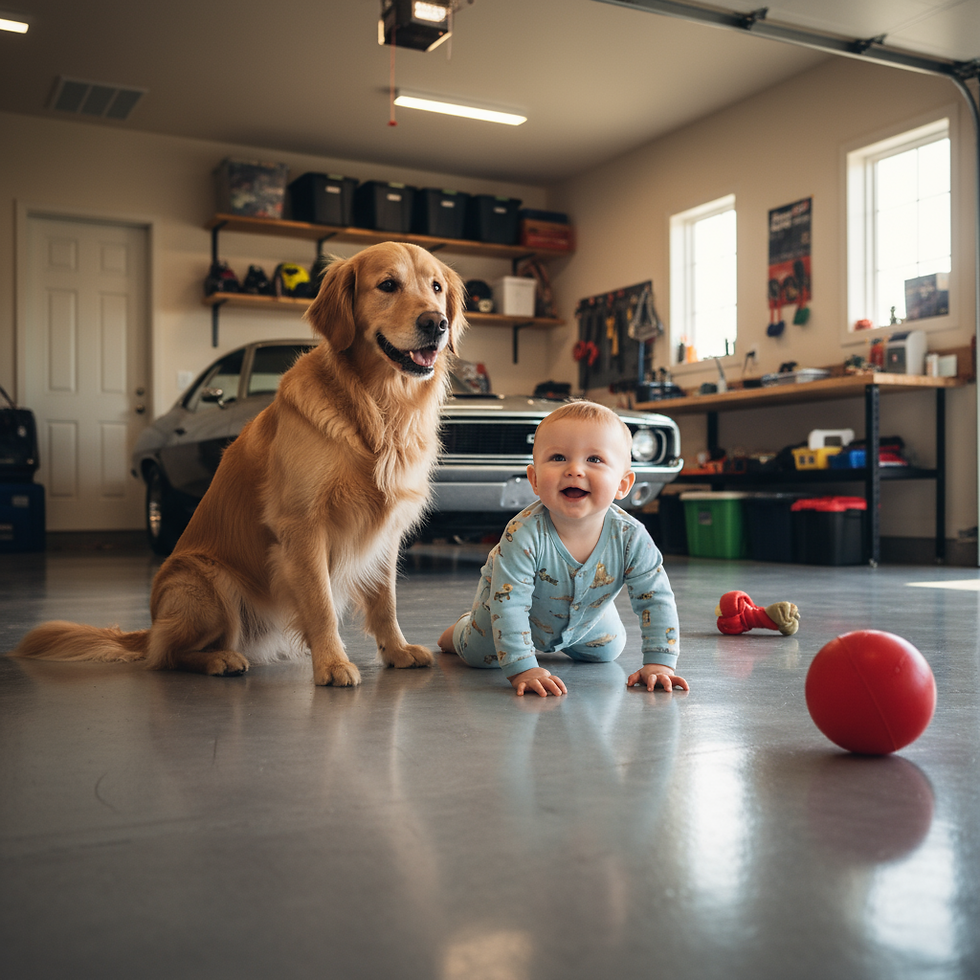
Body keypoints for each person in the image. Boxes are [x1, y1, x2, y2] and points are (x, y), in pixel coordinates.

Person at [438, 400, 688, 698]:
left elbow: (656, 598)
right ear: (533, 479)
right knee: (478, 654)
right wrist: (523, 668)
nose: (574, 470)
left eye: (594, 459)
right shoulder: (523, 534)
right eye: (558, 457)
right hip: (503, 615)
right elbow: (510, 604)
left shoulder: (631, 537)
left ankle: (582, 633)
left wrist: (660, 663)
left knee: (609, 650)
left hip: (584, 622)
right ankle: (460, 630)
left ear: (623, 485)